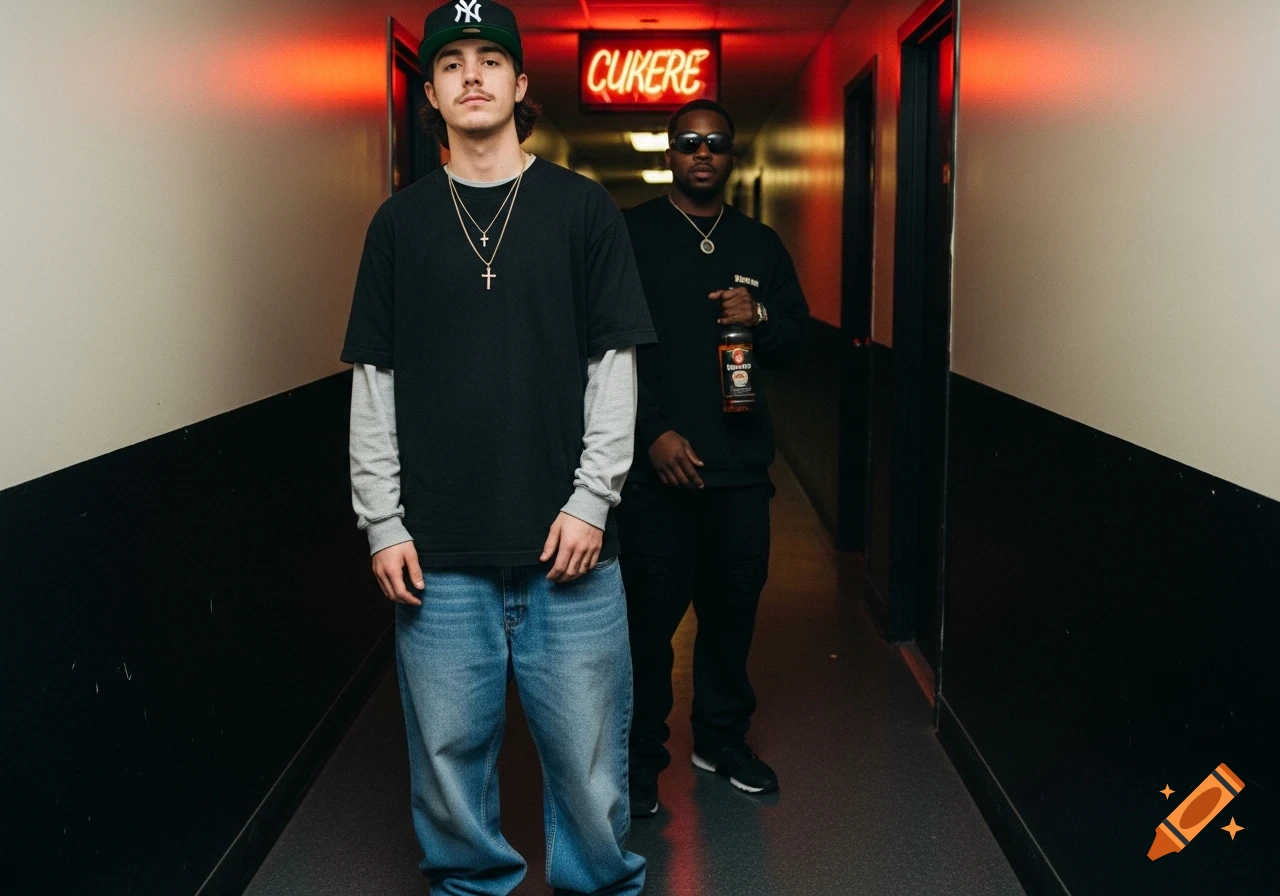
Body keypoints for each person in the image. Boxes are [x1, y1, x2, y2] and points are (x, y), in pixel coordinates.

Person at [340, 3, 654, 892]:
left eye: (489, 60)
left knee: (592, 771)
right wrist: (382, 522)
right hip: (436, 556)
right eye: (450, 64)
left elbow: (613, 364)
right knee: (447, 764)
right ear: (432, 94)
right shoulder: (397, 227)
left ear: (520, 86)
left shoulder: (582, 210)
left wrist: (594, 498)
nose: (470, 75)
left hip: (572, 551)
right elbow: (375, 381)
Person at [619, 99, 810, 817]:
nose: (703, 153)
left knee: (731, 624)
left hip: (738, 473)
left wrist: (758, 319)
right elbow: (606, 351)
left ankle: (721, 743)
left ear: (731, 156)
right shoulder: (632, 234)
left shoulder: (760, 245)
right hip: (655, 474)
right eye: (689, 142)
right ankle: (638, 770)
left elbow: (798, 343)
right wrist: (651, 434)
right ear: (669, 153)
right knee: (646, 630)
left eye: (717, 143)